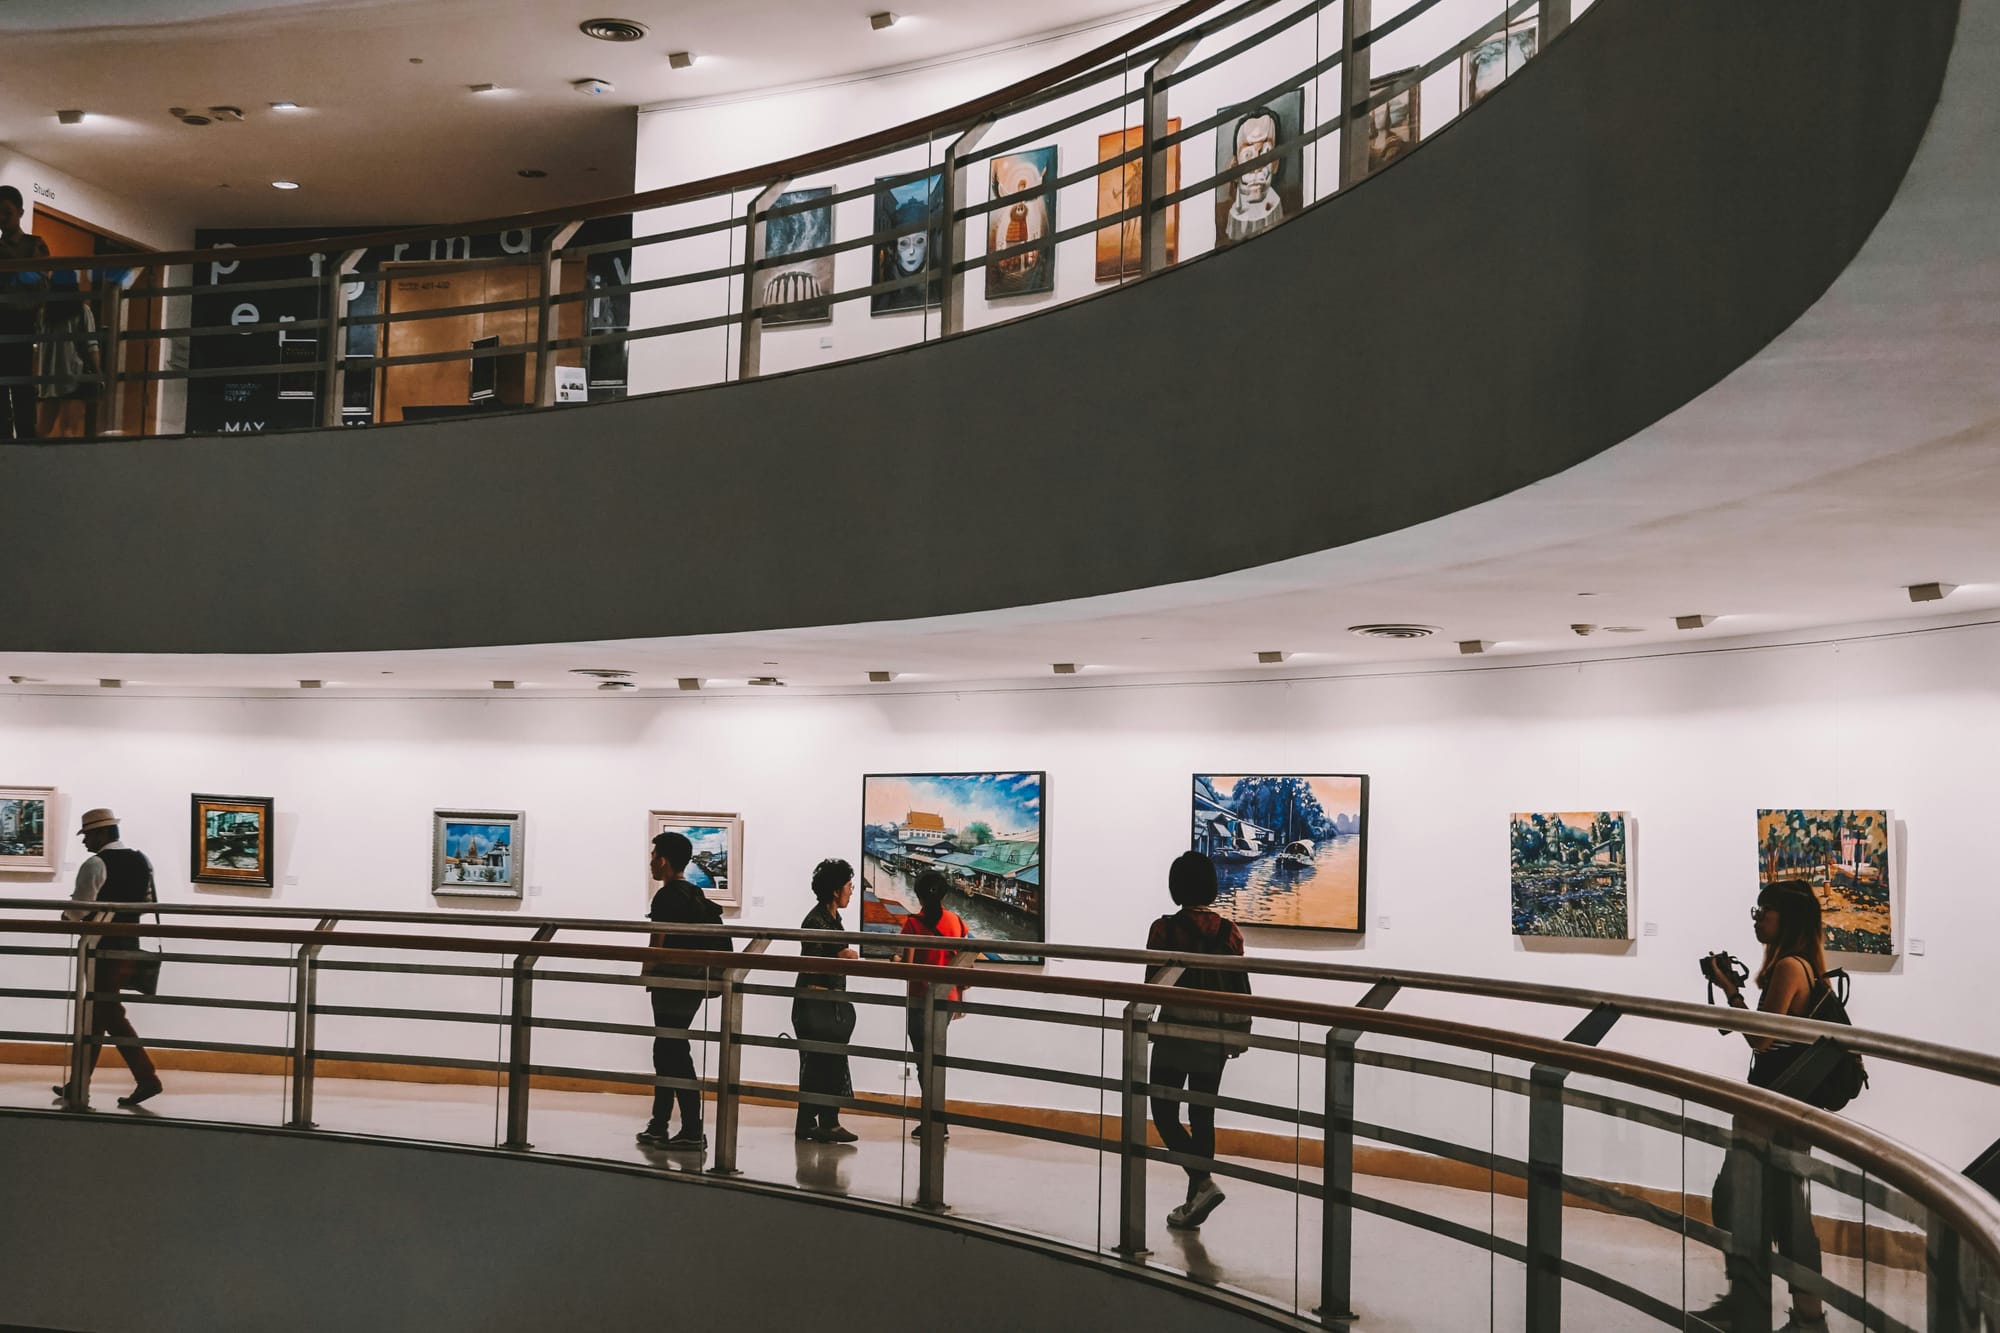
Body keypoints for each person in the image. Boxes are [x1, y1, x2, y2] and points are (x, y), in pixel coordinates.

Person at [1695, 883, 1831, 1333]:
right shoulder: (1801, 965)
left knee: (1758, 1207)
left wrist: (1729, 990)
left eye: (1765, 910)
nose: (1757, 918)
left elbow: (1761, 1037)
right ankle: (1772, 1306)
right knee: (1764, 1206)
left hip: (1775, 1113)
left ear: (1785, 919)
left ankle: (1790, 1313)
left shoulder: (1790, 968)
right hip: (1781, 1108)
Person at [1146, 850, 1249, 1231]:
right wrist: (1239, 1034)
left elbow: (1151, 984)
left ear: (1176, 887)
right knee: (1202, 1117)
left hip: (1175, 1032)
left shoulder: (1164, 929)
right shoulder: (1230, 931)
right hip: (1215, 1036)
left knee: (1164, 1111)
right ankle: (1195, 1200)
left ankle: (1202, 1185)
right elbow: (1240, 988)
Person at [53, 807, 163, 1107]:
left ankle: (147, 1077)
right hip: (129, 942)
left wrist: (67, 918)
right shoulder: (143, 861)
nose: (85, 841)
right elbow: (148, 903)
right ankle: (79, 1081)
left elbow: (78, 908)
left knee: (108, 1013)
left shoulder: (96, 863)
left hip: (101, 947)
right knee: (100, 1013)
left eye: (87, 834)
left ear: (101, 833)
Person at [638, 831, 730, 1152]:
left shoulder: (664, 898)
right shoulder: (695, 894)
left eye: (653, 856)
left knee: (671, 1051)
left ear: (663, 861)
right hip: (692, 984)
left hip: (670, 983)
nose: (650, 862)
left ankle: (691, 1127)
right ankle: (659, 1124)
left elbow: (658, 943)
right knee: (668, 1049)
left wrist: (645, 973)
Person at [899, 868, 969, 1137]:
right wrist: (960, 997)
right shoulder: (957, 922)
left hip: (919, 1000)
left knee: (922, 1061)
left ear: (918, 895)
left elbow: (907, 967)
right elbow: (962, 965)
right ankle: (937, 1119)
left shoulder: (913, 925)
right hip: (947, 1001)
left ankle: (934, 1120)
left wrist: (895, 961)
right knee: (935, 1059)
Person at [796, 857, 860, 1144]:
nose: (851, 890)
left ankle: (817, 1122)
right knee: (821, 1063)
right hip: (817, 1004)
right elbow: (810, 965)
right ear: (836, 890)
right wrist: (839, 957)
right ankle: (821, 1123)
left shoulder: (832, 919)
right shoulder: (815, 921)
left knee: (825, 1064)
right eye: (849, 885)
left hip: (829, 1004)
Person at [0, 185, 51, 442]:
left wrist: (16, 269)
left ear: (20, 212)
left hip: (21, 322)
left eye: (6, 213)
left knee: (21, 385)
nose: (2, 219)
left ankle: (27, 438)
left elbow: (41, 285)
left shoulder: (35, 244)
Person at [1220, 108, 1286, 245]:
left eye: (1266, 153)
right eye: (1248, 155)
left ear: (1275, 164)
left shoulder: (1280, 205)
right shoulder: (1226, 215)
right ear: (1235, 166)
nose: (1257, 167)